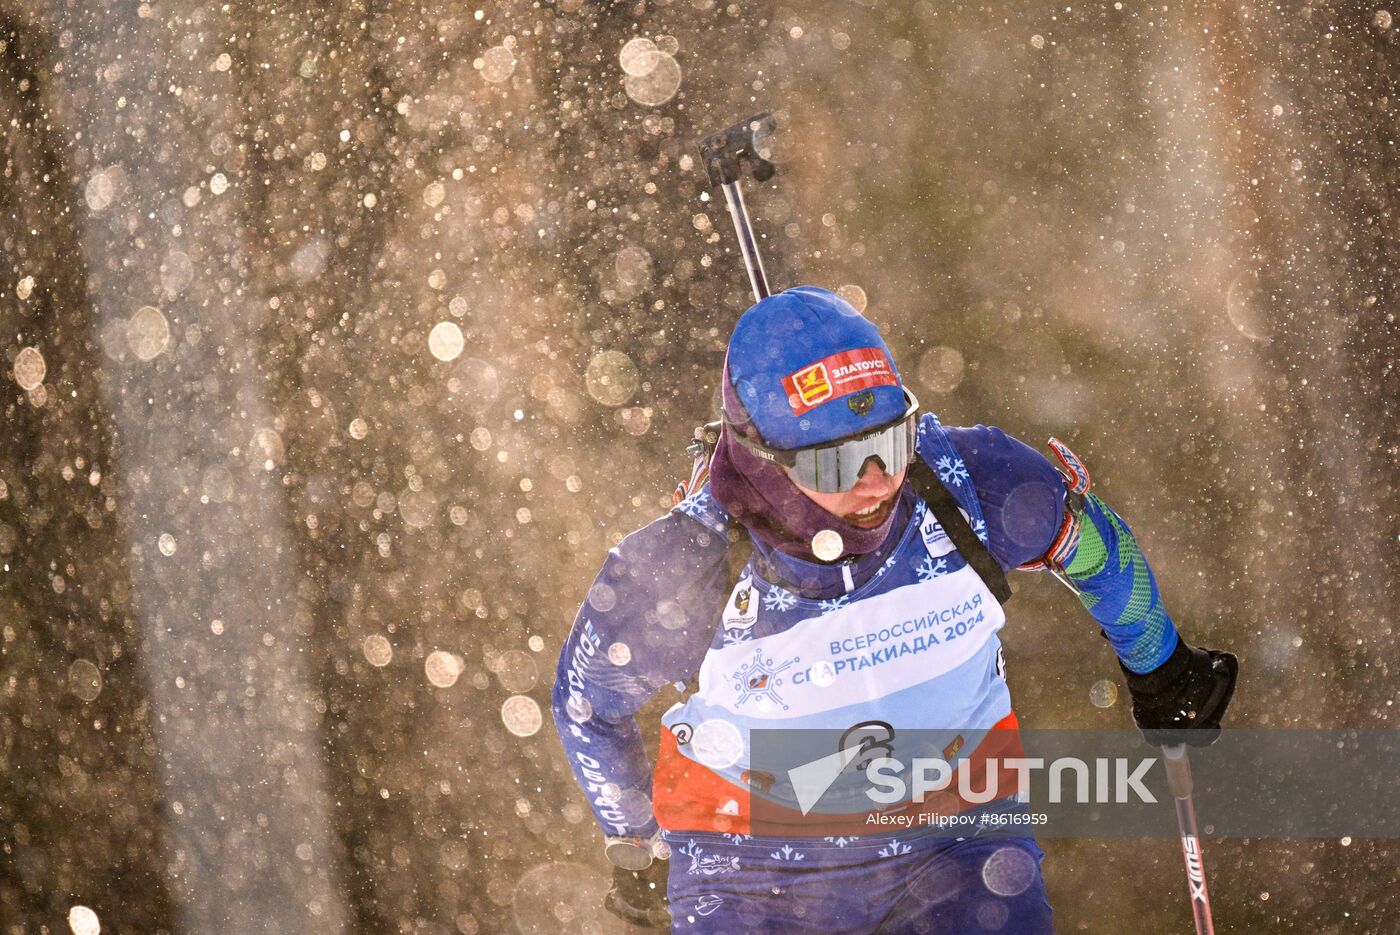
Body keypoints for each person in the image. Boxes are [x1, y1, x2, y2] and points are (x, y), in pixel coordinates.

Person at [552, 286, 1238, 933]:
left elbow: (1090, 546)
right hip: (754, 870)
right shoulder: (686, 562)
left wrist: (1162, 664)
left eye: (889, 442)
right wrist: (638, 839)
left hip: (957, 841)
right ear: (764, 460)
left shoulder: (967, 481)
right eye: (837, 465)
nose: (877, 483)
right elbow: (586, 703)